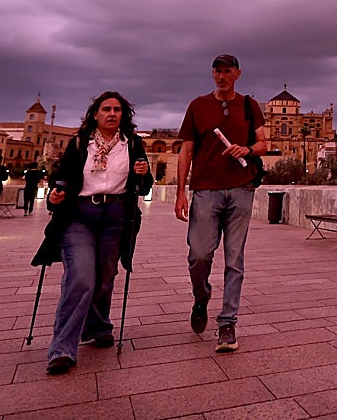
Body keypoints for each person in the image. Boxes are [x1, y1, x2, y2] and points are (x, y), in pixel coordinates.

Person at [31, 91, 152, 375]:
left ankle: (98, 327)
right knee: (82, 277)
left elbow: (143, 186)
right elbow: (60, 178)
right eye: (106, 109)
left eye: (117, 110)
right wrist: (55, 196)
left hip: (116, 215)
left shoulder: (132, 144)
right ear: (95, 114)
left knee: (105, 277)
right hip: (79, 215)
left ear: (124, 115)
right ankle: (62, 348)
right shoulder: (78, 143)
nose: (112, 114)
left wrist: (144, 173)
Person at [174, 54, 267, 353]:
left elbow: (264, 144)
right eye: (218, 70)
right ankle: (201, 297)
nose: (222, 75)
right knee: (199, 255)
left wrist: (248, 148)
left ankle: (228, 322)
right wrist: (180, 192)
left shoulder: (250, 106)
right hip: (205, 190)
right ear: (212, 74)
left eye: (228, 70)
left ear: (238, 73)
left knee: (234, 259)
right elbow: (186, 151)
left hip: (241, 189)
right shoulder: (197, 106)